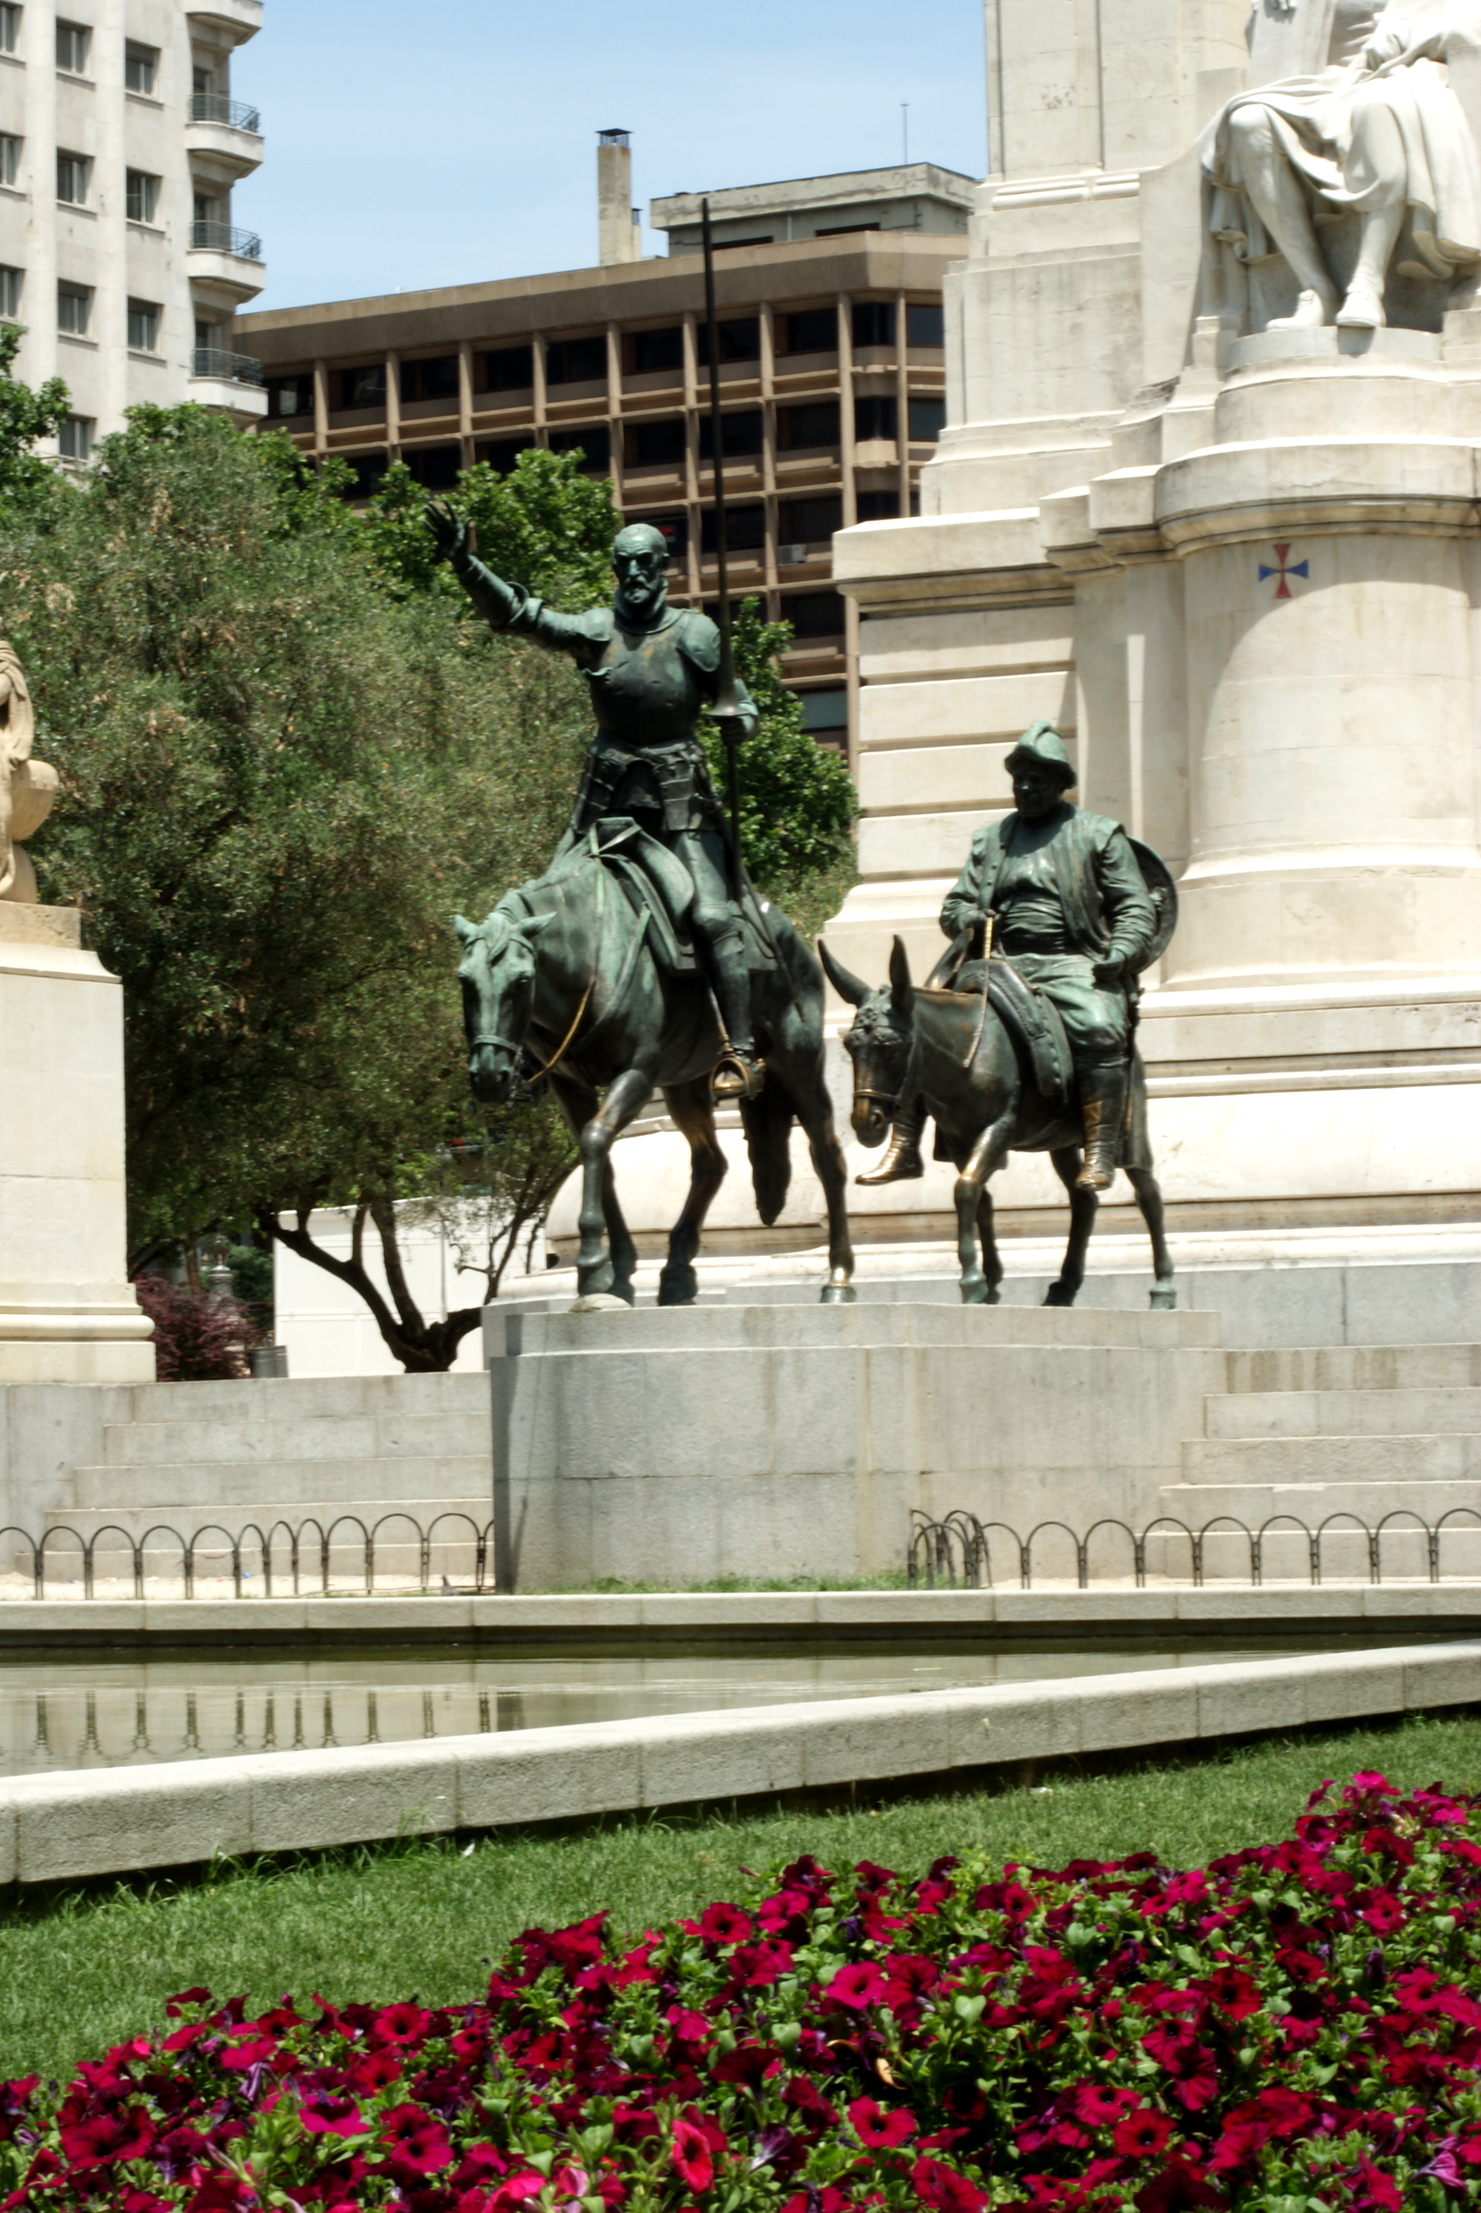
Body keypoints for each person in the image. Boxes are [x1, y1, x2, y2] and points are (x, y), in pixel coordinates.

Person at [426, 507, 765, 1100]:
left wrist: (742, 723)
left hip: (679, 806)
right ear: (615, 568)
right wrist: (464, 562)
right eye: (624, 564)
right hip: (602, 808)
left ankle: (740, 1049)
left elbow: (738, 700)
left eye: (646, 563)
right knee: (542, 915)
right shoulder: (596, 630)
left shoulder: (697, 635)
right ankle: (529, 1054)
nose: (634, 574)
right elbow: (518, 616)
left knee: (712, 917)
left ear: (663, 568)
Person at [859, 722, 1157, 1193]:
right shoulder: (990, 841)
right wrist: (969, 918)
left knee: (1100, 1027)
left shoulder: (1099, 834)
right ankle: (905, 1144)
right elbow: (954, 904)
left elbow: (1135, 905)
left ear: (1060, 784)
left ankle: (1100, 1149)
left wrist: (1121, 950)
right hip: (995, 962)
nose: (1025, 788)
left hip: (1071, 962)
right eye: (1018, 779)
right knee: (917, 1020)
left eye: (1036, 780)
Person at [1204, 0, 1481, 329]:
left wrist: (1402, 36)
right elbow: (1268, 48)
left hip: (1403, 70)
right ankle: (1315, 288)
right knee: (1248, 122)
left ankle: (1367, 283)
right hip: (1329, 85)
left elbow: (1467, 25)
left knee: (1378, 107)